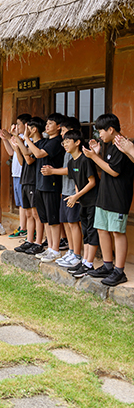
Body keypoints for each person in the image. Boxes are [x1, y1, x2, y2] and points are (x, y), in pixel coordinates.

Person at [82, 113, 134, 286]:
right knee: (102, 230)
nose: (99, 135)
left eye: (101, 131)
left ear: (111, 129)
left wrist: (94, 157)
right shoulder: (111, 145)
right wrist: (97, 155)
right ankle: (107, 265)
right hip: (104, 196)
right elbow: (108, 167)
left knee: (118, 232)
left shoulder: (123, 145)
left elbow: (114, 171)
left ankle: (119, 271)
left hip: (118, 198)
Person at [41, 116, 81, 268]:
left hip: (72, 192)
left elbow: (72, 170)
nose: (62, 134)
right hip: (65, 190)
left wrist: (53, 171)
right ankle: (71, 251)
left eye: (64, 131)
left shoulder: (75, 151)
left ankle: (76, 254)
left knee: (73, 223)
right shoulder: (67, 150)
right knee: (66, 223)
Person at [25, 113, 65, 262]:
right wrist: (17, 138)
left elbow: (39, 154)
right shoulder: (45, 141)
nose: (47, 126)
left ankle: (55, 250)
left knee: (53, 219)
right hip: (40, 184)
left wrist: (27, 138)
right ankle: (50, 247)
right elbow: (28, 153)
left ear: (58, 126)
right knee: (46, 219)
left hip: (51, 185)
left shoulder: (57, 142)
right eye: (46, 123)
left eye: (50, 123)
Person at [63, 130, 99, 278]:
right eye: (63, 142)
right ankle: (85, 262)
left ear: (77, 142)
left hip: (93, 201)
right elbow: (77, 182)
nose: (64, 144)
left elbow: (92, 182)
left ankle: (89, 263)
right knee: (86, 231)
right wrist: (76, 196)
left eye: (67, 141)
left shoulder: (85, 160)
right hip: (83, 201)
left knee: (91, 231)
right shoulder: (71, 162)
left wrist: (76, 195)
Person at [11, 118, 46, 255]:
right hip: (24, 180)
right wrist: (17, 144)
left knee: (36, 214)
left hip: (33, 181)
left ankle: (38, 242)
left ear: (34, 129)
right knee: (28, 213)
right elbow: (22, 161)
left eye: (27, 129)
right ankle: (29, 240)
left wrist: (22, 144)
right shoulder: (28, 143)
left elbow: (30, 160)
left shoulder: (40, 144)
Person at [0, 113, 32, 238]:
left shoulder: (28, 139)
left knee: (25, 204)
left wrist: (12, 136)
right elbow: (12, 152)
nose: (16, 126)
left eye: (18, 124)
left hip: (24, 174)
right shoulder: (18, 137)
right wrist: (5, 139)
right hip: (16, 173)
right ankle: (22, 227)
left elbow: (22, 152)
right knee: (21, 204)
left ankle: (26, 228)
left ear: (25, 125)